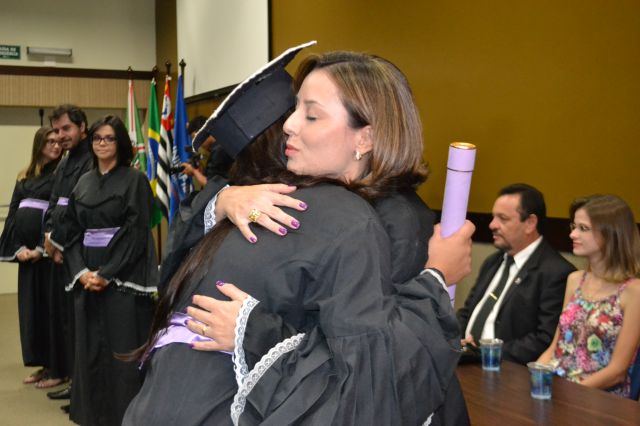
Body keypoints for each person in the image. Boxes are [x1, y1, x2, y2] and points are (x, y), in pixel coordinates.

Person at [124, 49, 471, 426]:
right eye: (294, 109)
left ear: (366, 137)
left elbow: (371, 374)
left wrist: (435, 278)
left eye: (311, 114)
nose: (288, 125)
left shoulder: (387, 220)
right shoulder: (280, 200)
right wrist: (222, 199)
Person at [63, 115, 158, 425]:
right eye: (97, 138)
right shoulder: (83, 182)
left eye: (109, 138)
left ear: (121, 143)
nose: (101, 143)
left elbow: (136, 233)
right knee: (90, 352)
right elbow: (71, 232)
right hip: (87, 281)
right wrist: (81, 272)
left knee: (121, 355)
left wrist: (106, 273)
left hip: (123, 281)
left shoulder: (134, 180)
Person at [457, 183, 576, 364]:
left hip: (506, 370)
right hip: (465, 361)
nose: (492, 225)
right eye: (493, 217)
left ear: (530, 223)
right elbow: (467, 312)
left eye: (503, 219)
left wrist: (485, 353)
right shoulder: (493, 262)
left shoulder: (556, 272)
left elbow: (545, 339)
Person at [537, 195, 640, 397]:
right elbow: (555, 347)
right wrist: (536, 377)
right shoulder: (575, 280)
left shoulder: (634, 292)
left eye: (583, 228)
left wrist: (566, 394)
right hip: (556, 389)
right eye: (573, 226)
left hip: (598, 400)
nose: (572, 234)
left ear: (611, 235)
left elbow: (617, 372)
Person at [0, 126, 62, 385]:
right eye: (50, 142)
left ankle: (56, 366)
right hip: (26, 256)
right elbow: (13, 215)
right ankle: (42, 363)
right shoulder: (24, 176)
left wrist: (40, 248)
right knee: (31, 312)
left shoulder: (60, 175)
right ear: (39, 145)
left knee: (49, 312)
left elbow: (56, 215)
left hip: (46, 256)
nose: (56, 146)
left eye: (58, 142)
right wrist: (18, 249)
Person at [42, 105, 93, 403]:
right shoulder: (63, 163)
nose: (60, 135)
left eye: (66, 129)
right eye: (57, 130)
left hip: (80, 253)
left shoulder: (90, 160)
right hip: (59, 250)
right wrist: (49, 234)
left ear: (82, 127)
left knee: (81, 323)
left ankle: (82, 387)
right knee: (65, 321)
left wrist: (60, 243)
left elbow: (81, 210)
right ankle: (72, 378)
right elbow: (53, 203)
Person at [179, 115, 233, 186]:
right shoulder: (224, 142)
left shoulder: (218, 151)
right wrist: (200, 171)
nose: (198, 145)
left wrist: (194, 171)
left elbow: (211, 186)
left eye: (197, 140)